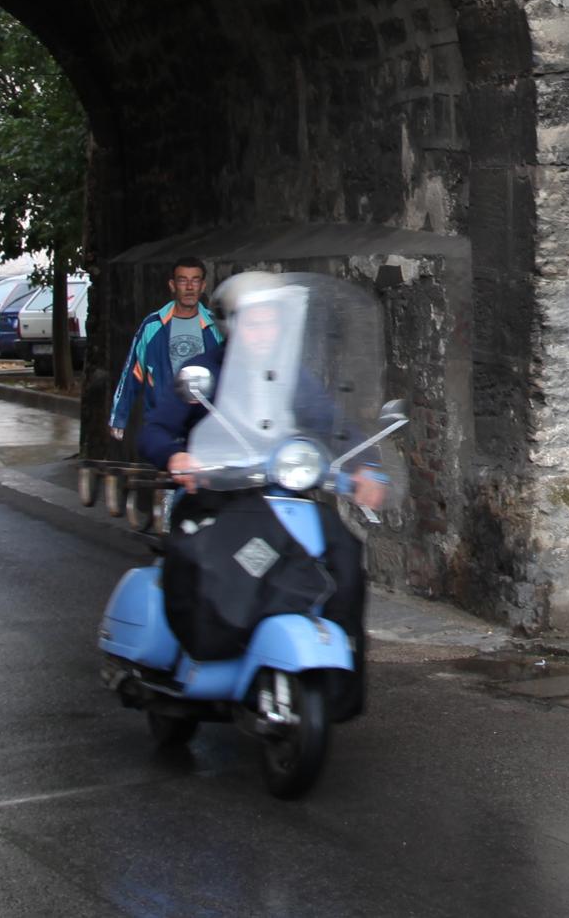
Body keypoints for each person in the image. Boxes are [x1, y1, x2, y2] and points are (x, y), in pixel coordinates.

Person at [136, 272, 377, 717]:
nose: (263, 332)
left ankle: (336, 677)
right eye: (253, 322)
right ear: (232, 325)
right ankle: (209, 651)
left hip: (280, 500)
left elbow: (331, 423)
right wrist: (176, 459)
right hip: (218, 497)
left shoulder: (291, 378)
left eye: (271, 322)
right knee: (216, 560)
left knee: (344, 550)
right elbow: (155, 429)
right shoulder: (205, 373)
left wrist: (365, 466)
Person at [108, 257, 221, 440]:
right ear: (172, 285)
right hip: (164, 423)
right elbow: (133, 372)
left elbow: (232, 371)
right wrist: (118, 417)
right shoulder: (153, 326)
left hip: (205, 426)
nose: (190, 287)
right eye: (183, 280)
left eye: (195, 280)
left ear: (203, 286)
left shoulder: (215, 325)